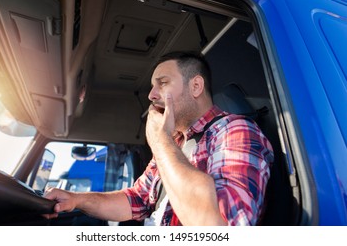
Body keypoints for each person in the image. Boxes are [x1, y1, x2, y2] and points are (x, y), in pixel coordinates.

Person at [44, 51, 274, 226]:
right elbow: (137, 199)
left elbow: (222, 226)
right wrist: (75, 199)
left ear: (196, 86)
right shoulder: (175, 144)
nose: (151, 95)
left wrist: (159, 140)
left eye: (162, 83)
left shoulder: (235, 131)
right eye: (153, 86)